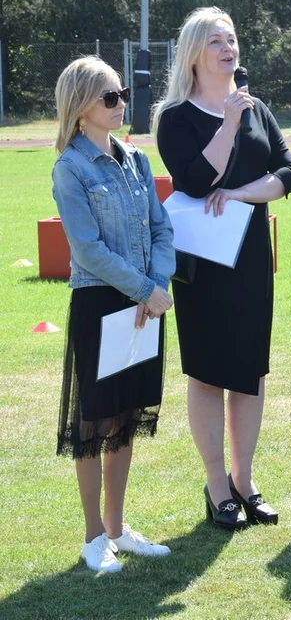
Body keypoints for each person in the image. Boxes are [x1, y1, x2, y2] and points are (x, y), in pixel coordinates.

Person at [155, 7, 291, 530]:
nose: (228, 49)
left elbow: (289, 170)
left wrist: (241, 193)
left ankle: (246, 480)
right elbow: (193, 181)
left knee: (248, 370)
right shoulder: (175, 116)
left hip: (251, 255)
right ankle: (216, 484)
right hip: (203, 263)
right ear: (195, 53)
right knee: (209, 371)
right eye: (217, 42)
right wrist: (230, 123)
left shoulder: (256, 107)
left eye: (232, 40)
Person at [52, 57, 174, 572]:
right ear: (82, 107)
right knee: (95, 420)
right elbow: (88, 251)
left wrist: (157, 288)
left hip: (145, 302)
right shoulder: (70, 168)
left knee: (124, 418)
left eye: (122, 93)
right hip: (103, 301)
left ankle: (119, 528)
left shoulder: (137, 161)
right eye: (110, 97)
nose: (121, 103)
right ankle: (93, 536)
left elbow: (161, 229)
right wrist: (147, 289)